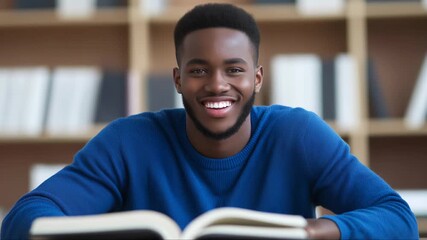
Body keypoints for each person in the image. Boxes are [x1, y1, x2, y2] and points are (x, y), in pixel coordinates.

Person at [1, 3, 418, 239]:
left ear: (257, 78)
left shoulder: (298, 134)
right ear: (179, 79)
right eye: (199, 70)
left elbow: (396, 217)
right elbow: (23, 219)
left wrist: (313, 232)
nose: (217, 85)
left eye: (234, 70)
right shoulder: (127, 142)